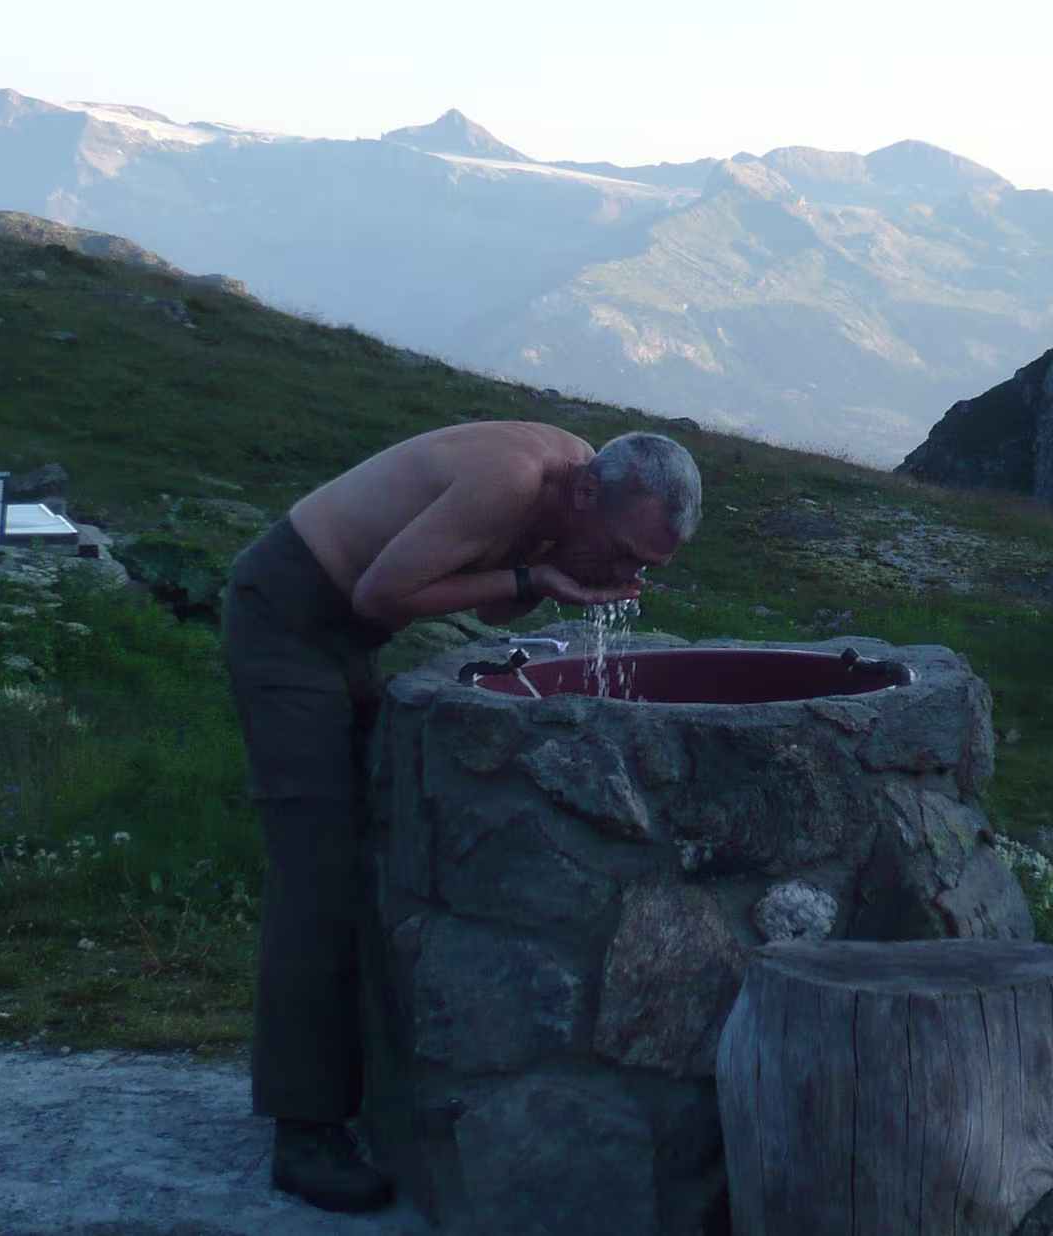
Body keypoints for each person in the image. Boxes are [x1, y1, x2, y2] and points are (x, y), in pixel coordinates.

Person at [220, 423, 702, 1212]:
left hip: (346, 636)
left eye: (645, 567)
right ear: (588, 492)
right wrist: (536, 576)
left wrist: (546, 577)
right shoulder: (510, 480)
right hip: (287, 618)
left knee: (377, 839)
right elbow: (380, 593)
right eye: (622, 553)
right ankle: (304, 1131)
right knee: (320, 868)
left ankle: (360, 1083)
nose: (625, 576)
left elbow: (476, 596)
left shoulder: (576, 489)